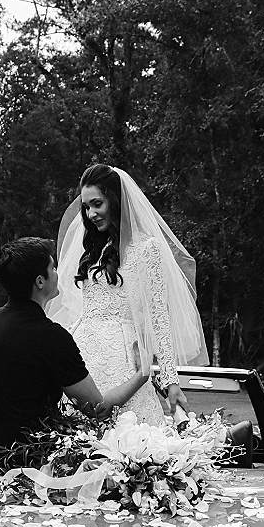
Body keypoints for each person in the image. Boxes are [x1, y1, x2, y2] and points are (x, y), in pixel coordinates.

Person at [48, 165, 209, 426]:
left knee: (128, 443)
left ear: (114, 199)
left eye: (97, 204)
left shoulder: (147, 248)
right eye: (86, 207)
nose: (90, 214)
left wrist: (170, 383)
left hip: (123, 359)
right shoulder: (91, 250)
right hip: (83, 357)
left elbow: (159, 317)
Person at [0, 237, 147, 464]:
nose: (58, 272)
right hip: (30, 462)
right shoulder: (50, 336)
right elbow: (97, 408)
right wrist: (143, 374)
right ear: (40, 281)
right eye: (53, 267)